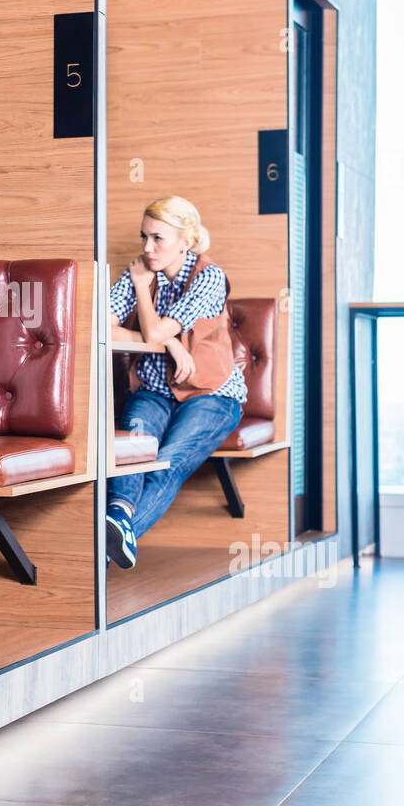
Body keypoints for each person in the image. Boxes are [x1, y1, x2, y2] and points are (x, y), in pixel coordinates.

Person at [106, 196, 247, 570]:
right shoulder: (139, 270)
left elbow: (152, 329)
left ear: (186, 240)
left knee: (165, 463)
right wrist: (169, 343)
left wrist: (155, 326)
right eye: (144, 237)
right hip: (155, 390)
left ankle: (101, 548)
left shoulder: (209, 277)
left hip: (212, 395)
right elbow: (103, 324)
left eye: (158, 239)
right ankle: (117, 519)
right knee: (130, 454)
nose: (147, 248)